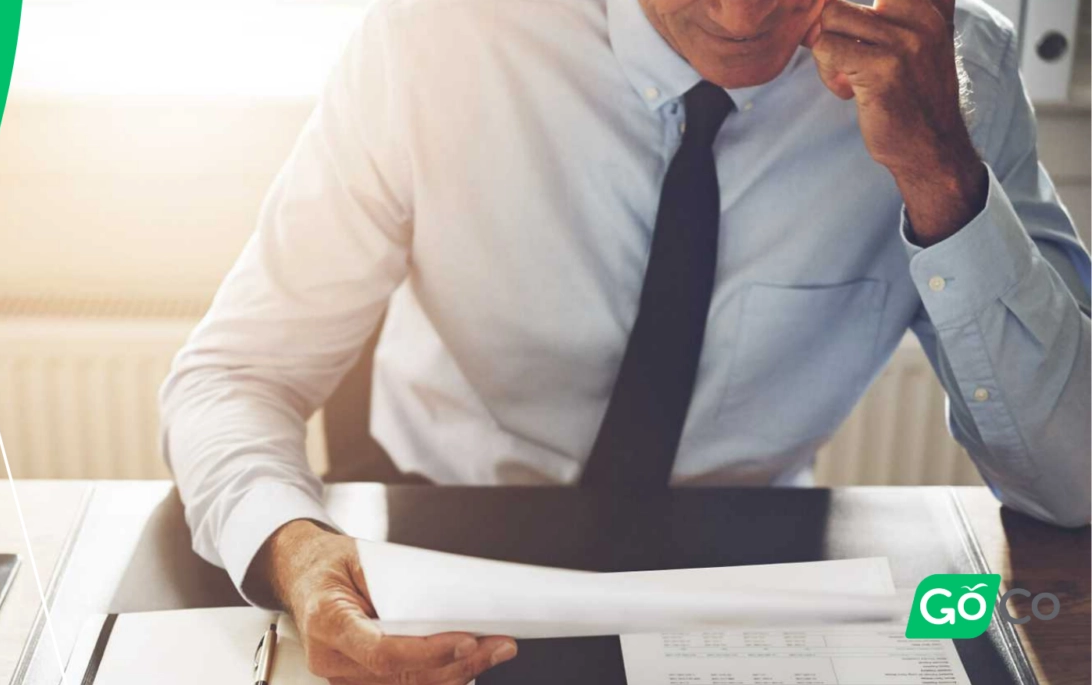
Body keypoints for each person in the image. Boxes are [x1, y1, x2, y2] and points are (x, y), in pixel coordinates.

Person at [160, 0, 1092, 680]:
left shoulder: (957, 71)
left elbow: (1078, 480)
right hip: (442, 548)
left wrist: (940, 174)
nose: (738, 13)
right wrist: (295, 548)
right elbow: (233, 375)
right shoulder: (434, 35)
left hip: (752, 578)